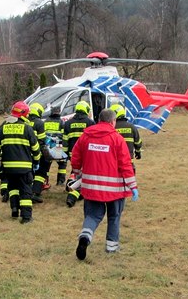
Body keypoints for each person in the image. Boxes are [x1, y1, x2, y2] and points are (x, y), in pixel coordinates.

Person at [70, 108, 138, 260]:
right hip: (115, 189)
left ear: (99, 119)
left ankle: (85, 237)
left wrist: (76, 171)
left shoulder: (86, 136)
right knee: (114, 216)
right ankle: (111, 247)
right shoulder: (117, 138)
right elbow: (125, 164)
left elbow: (75, 156)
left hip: (91, 186)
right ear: (113, 121)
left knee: (92, 215)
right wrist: (133, 186)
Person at [0, 101, 41, 224]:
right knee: (25, 191)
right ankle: (26, 217)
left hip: (8, 167)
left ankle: (14, 209)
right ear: (24, 114)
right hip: (24, 167)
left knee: (13, 188)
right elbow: (35, 148)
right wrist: (36, 162)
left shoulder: (2, 128)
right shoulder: (27, 128)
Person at [62, 100, 95, 207]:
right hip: (86, 154)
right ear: (86, 110)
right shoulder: (90, 123)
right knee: (85, 175)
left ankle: (71, 184)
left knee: (75, 171)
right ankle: (73, 194)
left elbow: (65, 141)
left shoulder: (67, 123)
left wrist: (65, 153)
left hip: (73, 154)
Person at [109, 103, 143, 172]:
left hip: (113, 162)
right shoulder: (131, 127)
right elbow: (138, 142)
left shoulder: (111, 127)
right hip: (128, 162)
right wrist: (138, 153)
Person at [40, 105, 68, 186]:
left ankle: (45, 181)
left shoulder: (45, 121)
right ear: (59, 112)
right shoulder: (61, 122)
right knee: (62, 164)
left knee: (46, 164)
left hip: (47, 145)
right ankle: (60, 181)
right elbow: (63, 135)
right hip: (57, 145)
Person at [27, 102, 48, 203]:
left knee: (27, 173)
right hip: (35, 153)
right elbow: (42, 140)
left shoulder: (24, 122)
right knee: (42, 171)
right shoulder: (39, 123)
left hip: (24, 153)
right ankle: (36, 192)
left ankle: (25, 192)